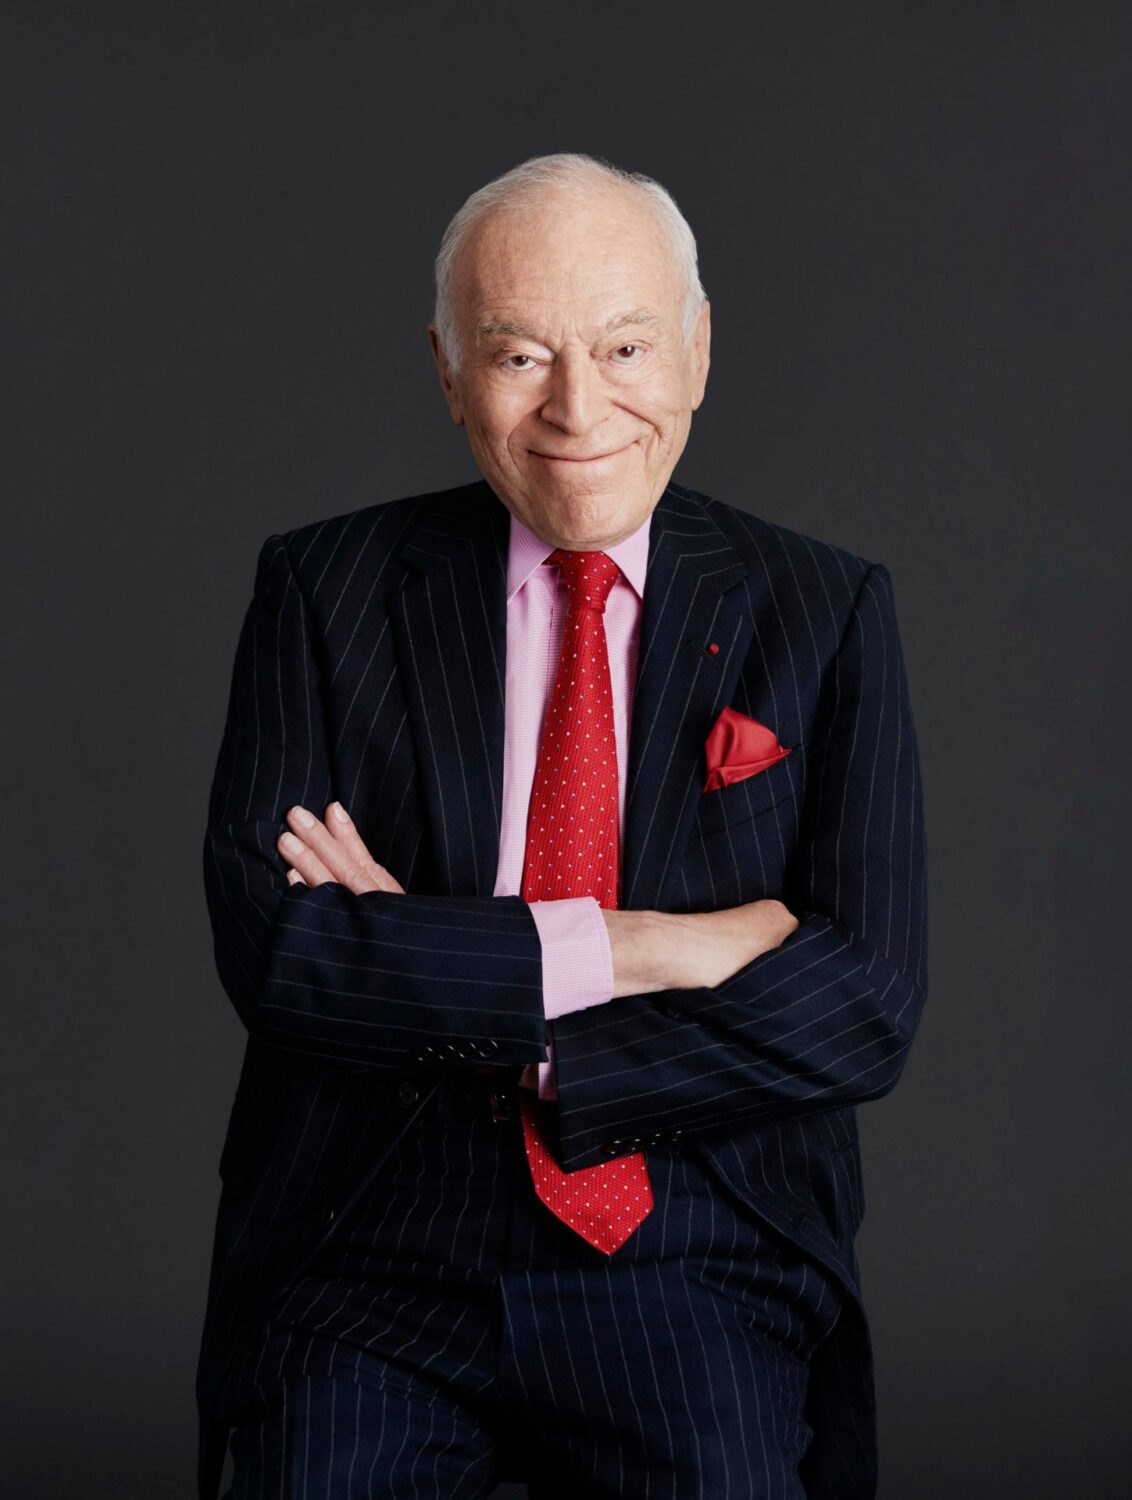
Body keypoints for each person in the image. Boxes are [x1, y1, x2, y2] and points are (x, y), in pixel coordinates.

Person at [195, 152, 928, 1500]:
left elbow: (866, 1002)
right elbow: (283, 955)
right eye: (520, 355)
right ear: (448, 370)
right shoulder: (324, 588)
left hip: (695, 1244)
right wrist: (645, 945)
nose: (578, 408)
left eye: (626, 347)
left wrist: (457, 977)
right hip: (376, 1245)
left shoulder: (823, 611)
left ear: (698, 353)